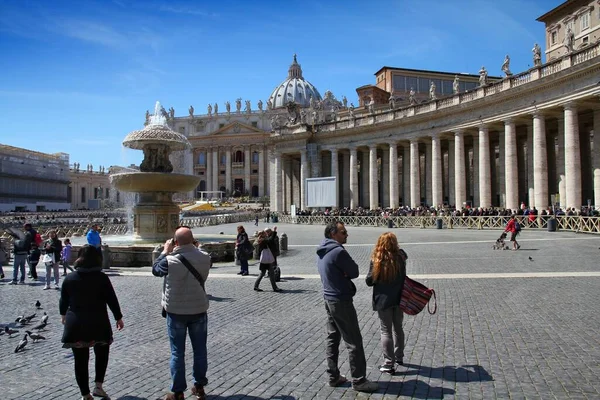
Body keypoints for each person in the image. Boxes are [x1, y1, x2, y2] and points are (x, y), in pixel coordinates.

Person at [316, 221, 378, 393]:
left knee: (333, 338)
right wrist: (344, 273)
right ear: (333, 234)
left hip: (328, 298)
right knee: (354, 341)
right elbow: (354, 271)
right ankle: (359, 380)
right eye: (343, 232)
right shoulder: (338, 252)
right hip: (341, 300)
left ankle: (333, 376)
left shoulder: (321, 250)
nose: (346, 235)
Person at [152, 226, 211, 400]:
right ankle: (199, 386)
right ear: (193, 241)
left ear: (175, 242)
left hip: (176, 311)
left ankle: (178, 391)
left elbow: (155, 269)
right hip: (199, 309)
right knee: (200, 350)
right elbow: (202, 258)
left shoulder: (168, 260)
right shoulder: (205, 257)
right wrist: (195, 247)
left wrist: (164, 251)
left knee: (177, 352)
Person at [60, 245, 124, 400]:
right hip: (98, 321)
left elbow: (63, 300)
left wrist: (63, 315)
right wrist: (118, 317)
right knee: (102, 353)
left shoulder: (70, 278)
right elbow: (111, 299)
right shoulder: (102, 278)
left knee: (80, 360)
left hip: (76, 322)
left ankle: (85, 394)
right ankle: (98, 386)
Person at [365, 232, 407, 374]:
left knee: (385, 330)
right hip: (399, 298)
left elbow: (369, 281)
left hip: (383, 300)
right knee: (398, 328)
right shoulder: (401, 258)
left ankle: (389, 363)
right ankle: (399, 356)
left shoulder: (377, 259)